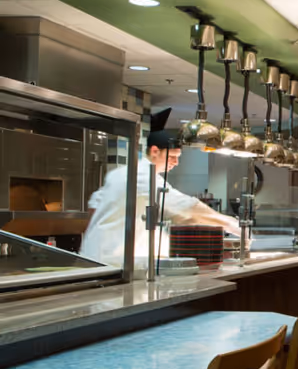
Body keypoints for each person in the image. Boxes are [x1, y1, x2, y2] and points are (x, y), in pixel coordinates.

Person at [80, 108, 241, 267]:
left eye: (178, 158)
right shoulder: (142, 175)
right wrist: (231, 224)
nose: (175, 163)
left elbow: (94, 206)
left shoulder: (124, 173)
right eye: (172, 157)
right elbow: (187, 207)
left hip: (107, 258)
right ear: (155, 151)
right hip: (112, 261)